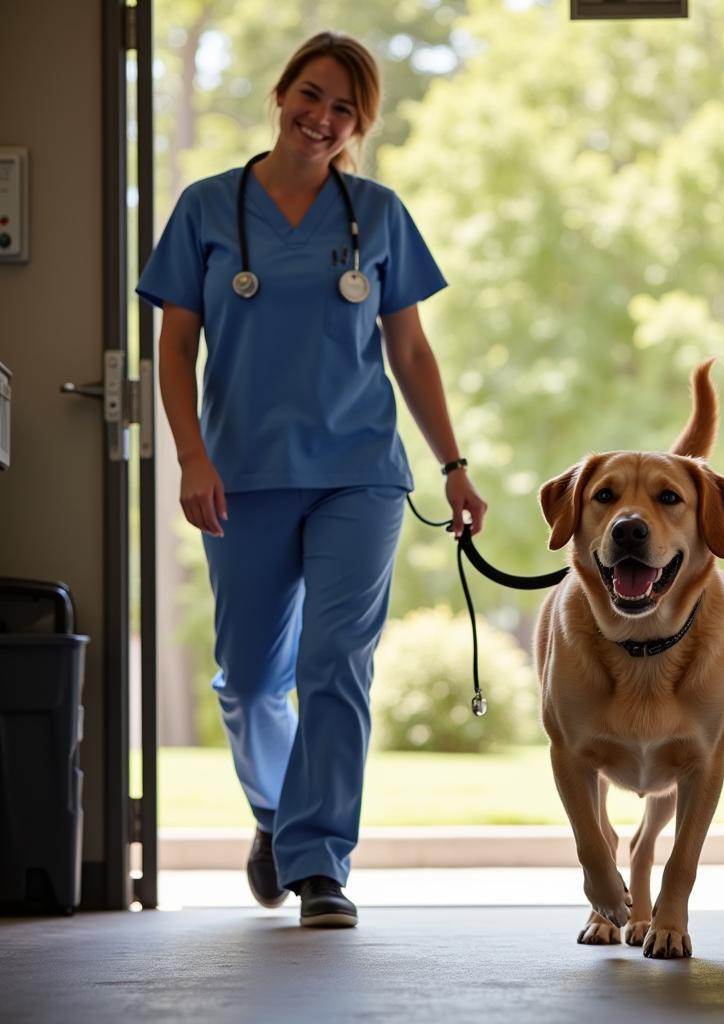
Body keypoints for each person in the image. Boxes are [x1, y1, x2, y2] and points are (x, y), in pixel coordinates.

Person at [137, 31, 486, 928]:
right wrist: (192, 454)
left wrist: (453, 467)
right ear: (281, 91)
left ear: (360, 123)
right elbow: (174, 346)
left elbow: (409, 348)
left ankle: (321, 862)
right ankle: (277, 817)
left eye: (345, 109)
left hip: (359, 474)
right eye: (311, 95)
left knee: (338, 665)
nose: (322, 119)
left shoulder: (378, 213)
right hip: (242, 473)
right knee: (250, 680)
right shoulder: (208, 209)